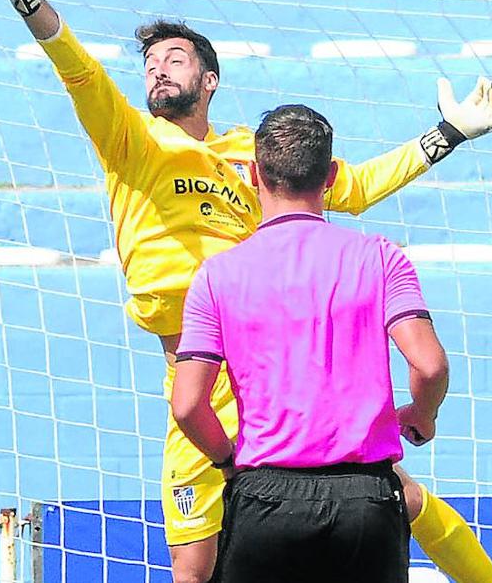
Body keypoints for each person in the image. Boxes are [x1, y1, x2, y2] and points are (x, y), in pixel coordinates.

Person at [0, 0, 492, 583]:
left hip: (269, 371)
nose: (157, 69)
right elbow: (82, 75)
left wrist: (448, 133)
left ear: (210, 78)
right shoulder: (132, 141)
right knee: (193, 572)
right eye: (149, 64)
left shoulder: (254, 160)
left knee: (398, 496)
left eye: (173, 58)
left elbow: (359, 186)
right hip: (194, 378)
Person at [171, 104, 450, 582]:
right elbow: (429, 366)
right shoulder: (380, 258)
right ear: (332, 175)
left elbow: (187, 405)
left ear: (254, 175)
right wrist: (421, 414)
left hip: (266, 498)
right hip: (365, 499)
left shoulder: (217, 275)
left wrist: (228, 462)